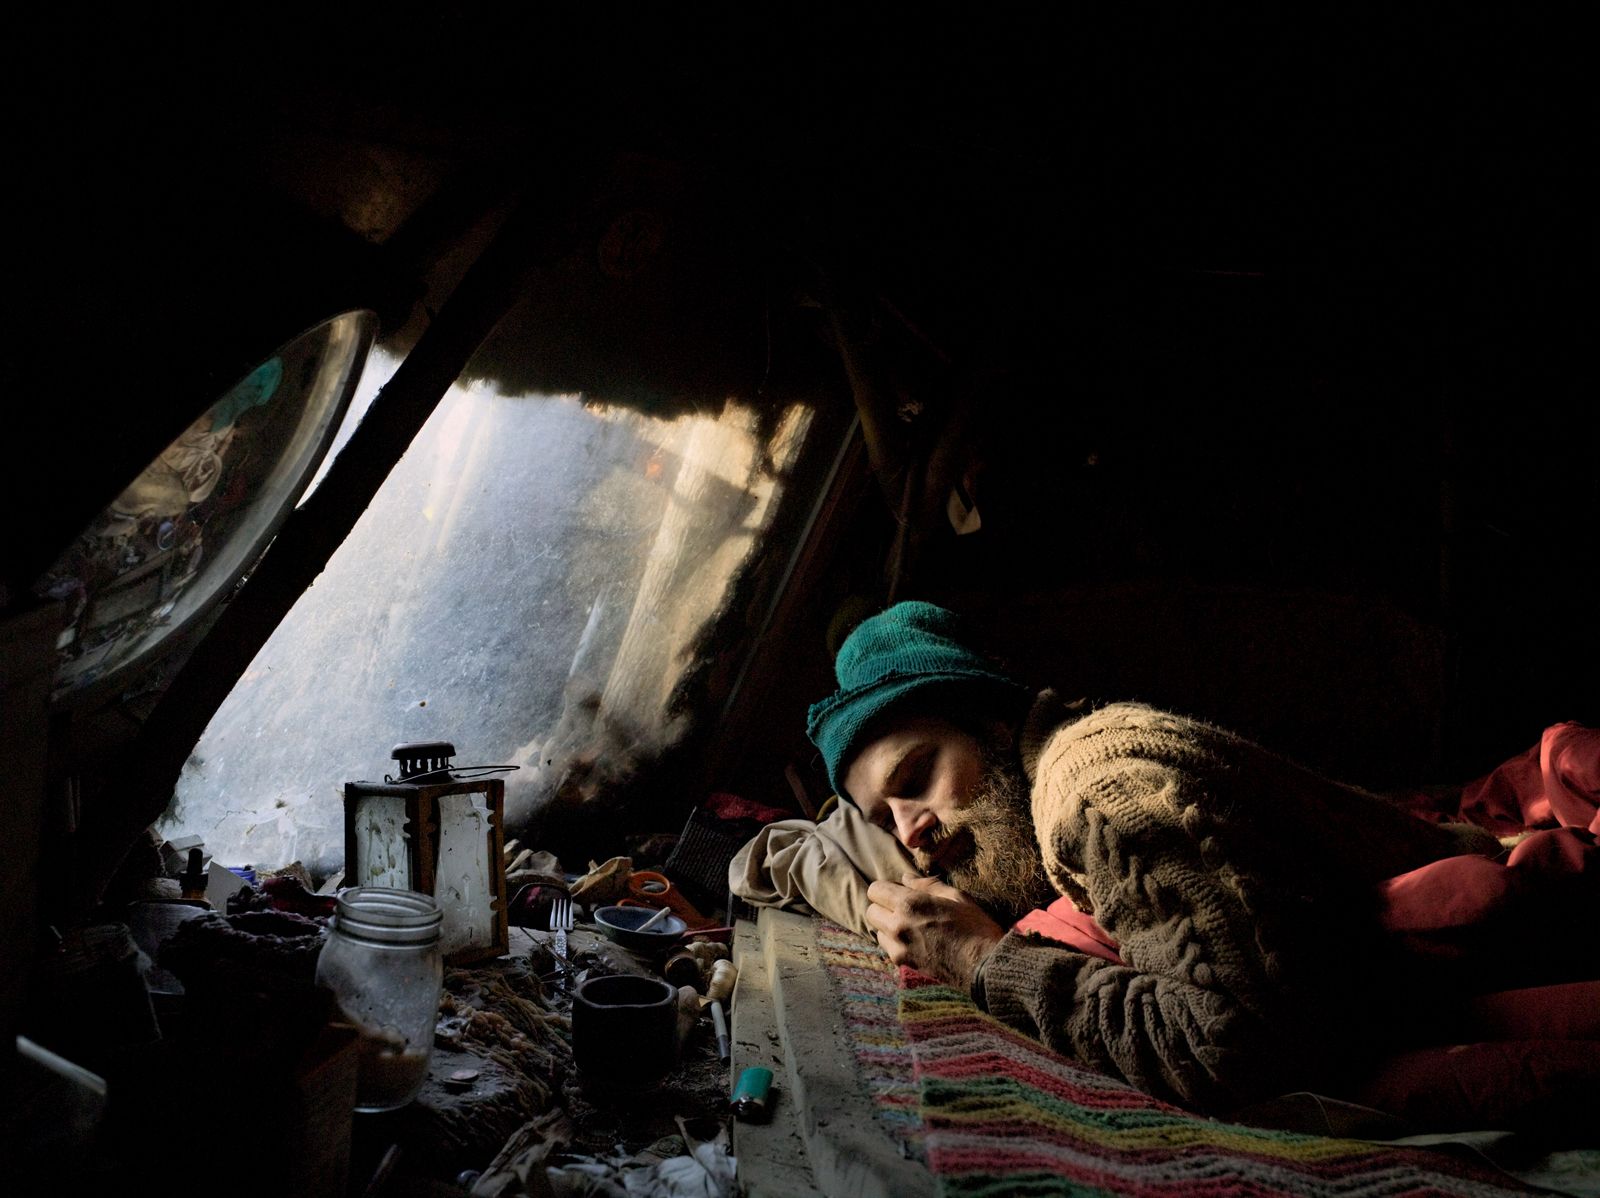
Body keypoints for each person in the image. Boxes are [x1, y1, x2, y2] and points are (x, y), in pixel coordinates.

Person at [732, 600, 1504, 1113]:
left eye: (917, 779)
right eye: (883, 816)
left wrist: (981, 961)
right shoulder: (1016, 797)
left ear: (996, 724)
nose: (911, 834)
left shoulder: (1096, 794)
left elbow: (1236, 1046)